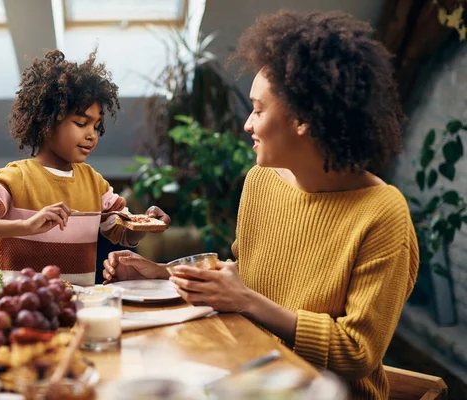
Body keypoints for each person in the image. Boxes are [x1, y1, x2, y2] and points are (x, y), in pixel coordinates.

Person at [102, 11, 417, 399]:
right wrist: (160, 273)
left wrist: (245, 299)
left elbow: (357, 352)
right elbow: (244, 277)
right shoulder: (262, 181)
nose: (248, 124)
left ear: (303, 118)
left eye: (259, 109)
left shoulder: (382, 213)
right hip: (250, 375)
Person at [0, 49, 170, 286]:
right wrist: (26, 226)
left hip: (80, 308)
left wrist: (147, 224)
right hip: (22, 307)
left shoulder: (95, 184)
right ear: (46, 121)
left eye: (96, 126)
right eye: (81, 123)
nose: (91, 135)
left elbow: (124, 233)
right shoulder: (15, 178)